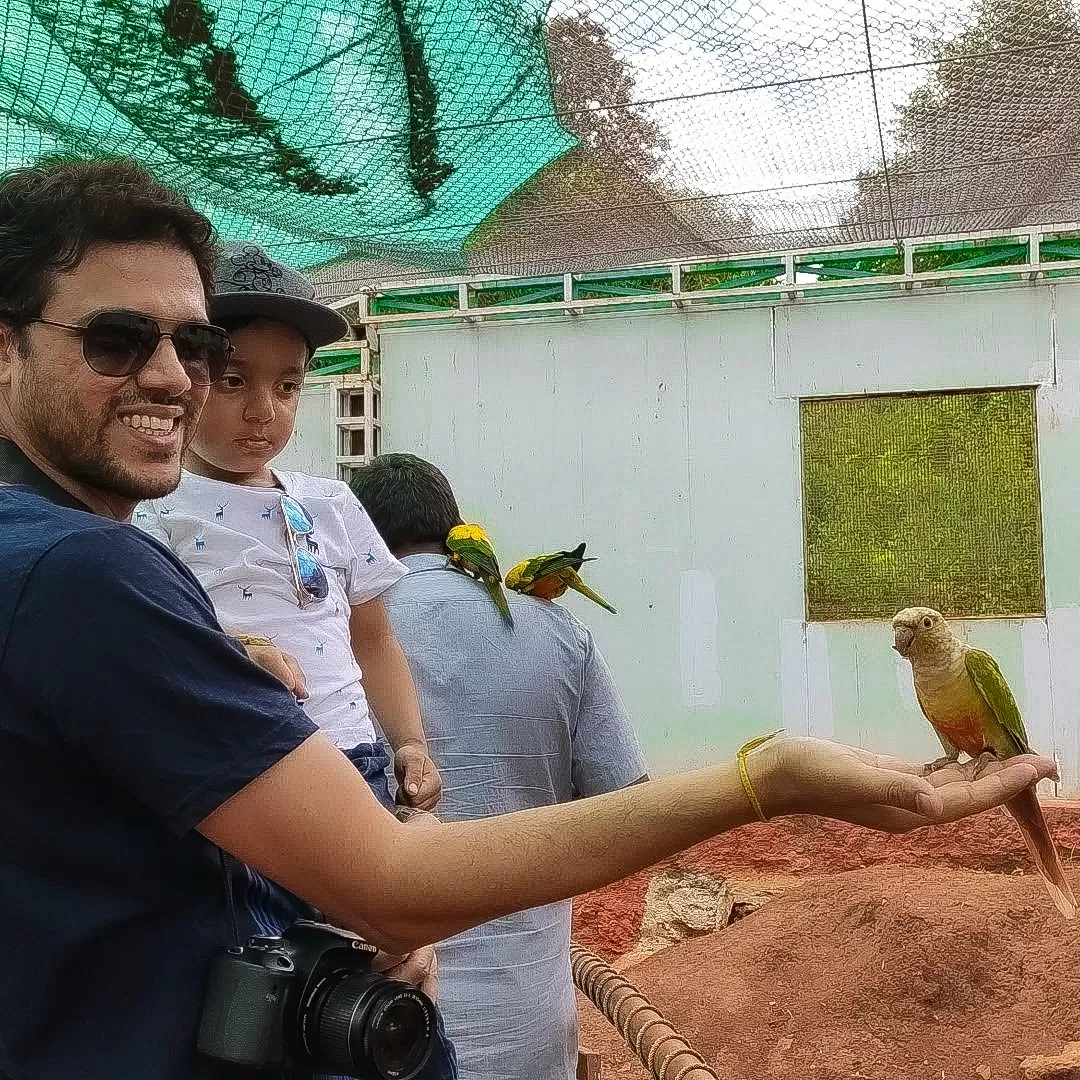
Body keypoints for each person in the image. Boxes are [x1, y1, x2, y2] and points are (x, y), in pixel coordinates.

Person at [0, 157, 1059, 1080]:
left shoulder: (96, 562)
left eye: (189, 343)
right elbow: (392, 884)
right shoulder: (89, 573)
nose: (170, 377)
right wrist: (763, 780)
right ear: (6, 350)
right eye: (114, 339)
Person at [349, 453, 648, 1080]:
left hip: (365, 1029)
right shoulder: (560, 634)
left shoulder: (323, 636)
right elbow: (628, 801)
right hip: (528, 1024)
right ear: (456, 528)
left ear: (355, 535)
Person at [136, 242, 442, 818]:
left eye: (287, 387)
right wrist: (236, 649)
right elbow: (154, 649)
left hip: (356, 756)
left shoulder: (332, 503)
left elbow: (373, 639)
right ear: (188, 376)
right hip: (242, 770)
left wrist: (410, 742)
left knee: (368, 899)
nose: (263, 410)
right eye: (232, 381)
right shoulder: (154, 512)